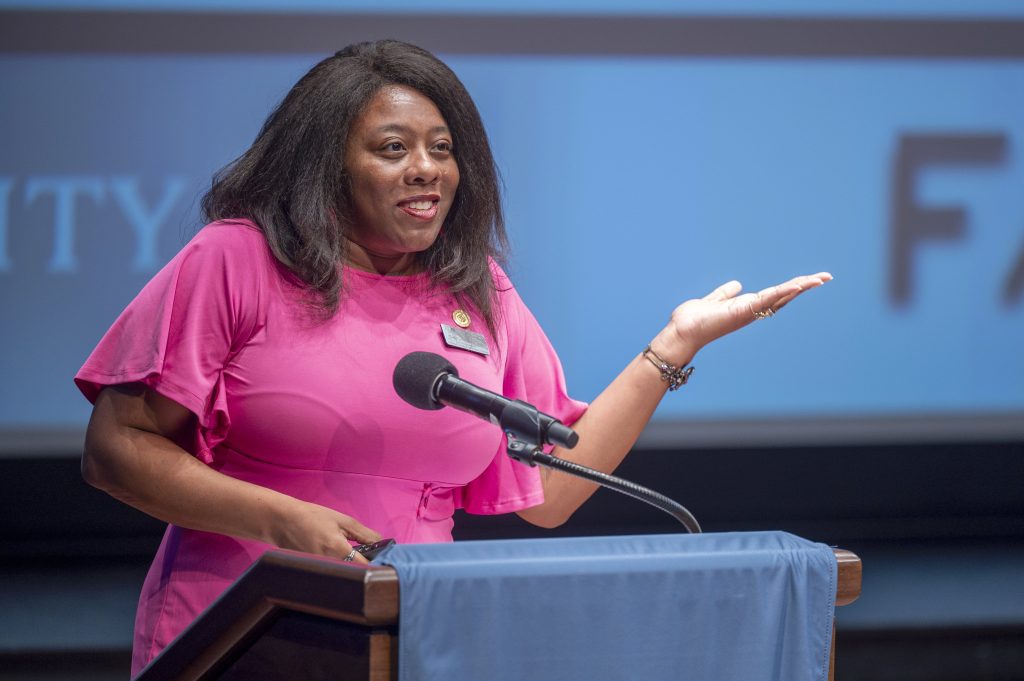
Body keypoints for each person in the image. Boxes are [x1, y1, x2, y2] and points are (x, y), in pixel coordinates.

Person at [75, 39, 830, 676]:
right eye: (393, 149)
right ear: (326, 165)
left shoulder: (476, 292)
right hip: (239, 625)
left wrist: (675, 346)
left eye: (442, 149)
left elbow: (552, 488)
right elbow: (117, 449)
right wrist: (284, 520)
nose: (427, 168)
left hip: (415, 635)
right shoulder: (236, 260)